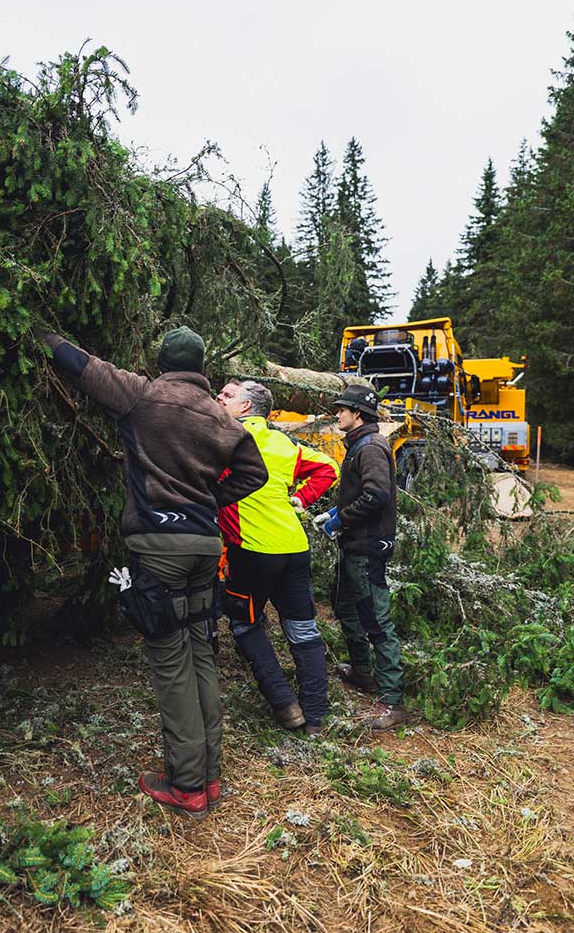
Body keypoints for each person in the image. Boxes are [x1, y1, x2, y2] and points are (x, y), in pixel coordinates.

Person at [43, 327, 268, 817]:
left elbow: (83, 366)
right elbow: (257, 475)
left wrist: (39, 332)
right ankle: (210, 778)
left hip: (160, 546)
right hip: (206, 547)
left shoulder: (144, 394)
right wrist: (208, 502)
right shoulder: (222, 417)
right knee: (201, 654)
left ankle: (186, 786)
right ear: (203, 365)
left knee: (170, 662)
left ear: (161, 361)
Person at [216, 379, 339, 735]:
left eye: (228, 395)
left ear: (245, 408)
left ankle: (285, 705)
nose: (219, 398)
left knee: (245, 625)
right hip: (294, 548)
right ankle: (315, 716)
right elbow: (329, 468)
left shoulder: (227, 439)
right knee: (302, 630)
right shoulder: (283, 442)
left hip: (253, 552)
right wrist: (301, 499)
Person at [313, 383, 406, 730]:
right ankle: (362, 672)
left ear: (358, 414)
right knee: (345, 604)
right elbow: (362, 493)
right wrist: (336, 513)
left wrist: (340, 519)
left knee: (377, 622)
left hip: (367, 548)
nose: (337, 414)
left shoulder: (370, 447)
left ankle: (392, 702)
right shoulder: (359, 445)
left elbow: (377, 495)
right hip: (354, 545)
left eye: (342, 410)